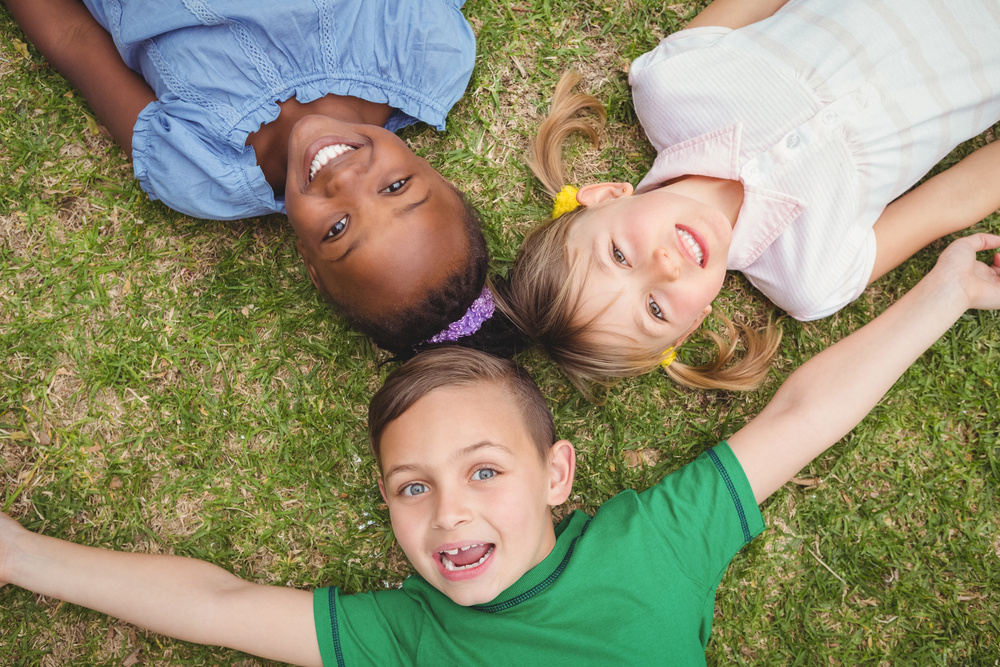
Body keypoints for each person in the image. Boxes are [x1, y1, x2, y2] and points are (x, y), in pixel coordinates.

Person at [2, 233, 998, 665]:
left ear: (556, 474)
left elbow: (798, 418)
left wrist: (943, 293)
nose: (450, 514)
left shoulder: (651, 546)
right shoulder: (414, 633)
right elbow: (216, 606)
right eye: (411, 487)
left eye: (485, 470)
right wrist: (19, 555)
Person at [499, 0, 1000, 395]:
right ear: (694, 324)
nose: (665, 267)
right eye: (655, 309)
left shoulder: (668, 86)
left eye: (619, 255)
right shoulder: (811, 277)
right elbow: (955, 198)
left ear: (605, 195)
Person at [6, 0, 507, 356]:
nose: (345, 181)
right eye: (396, 188)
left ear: (308, 260)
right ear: (440, 177)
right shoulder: (422, 49)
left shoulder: (197, 168)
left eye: (338, 230)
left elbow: (73, 40)